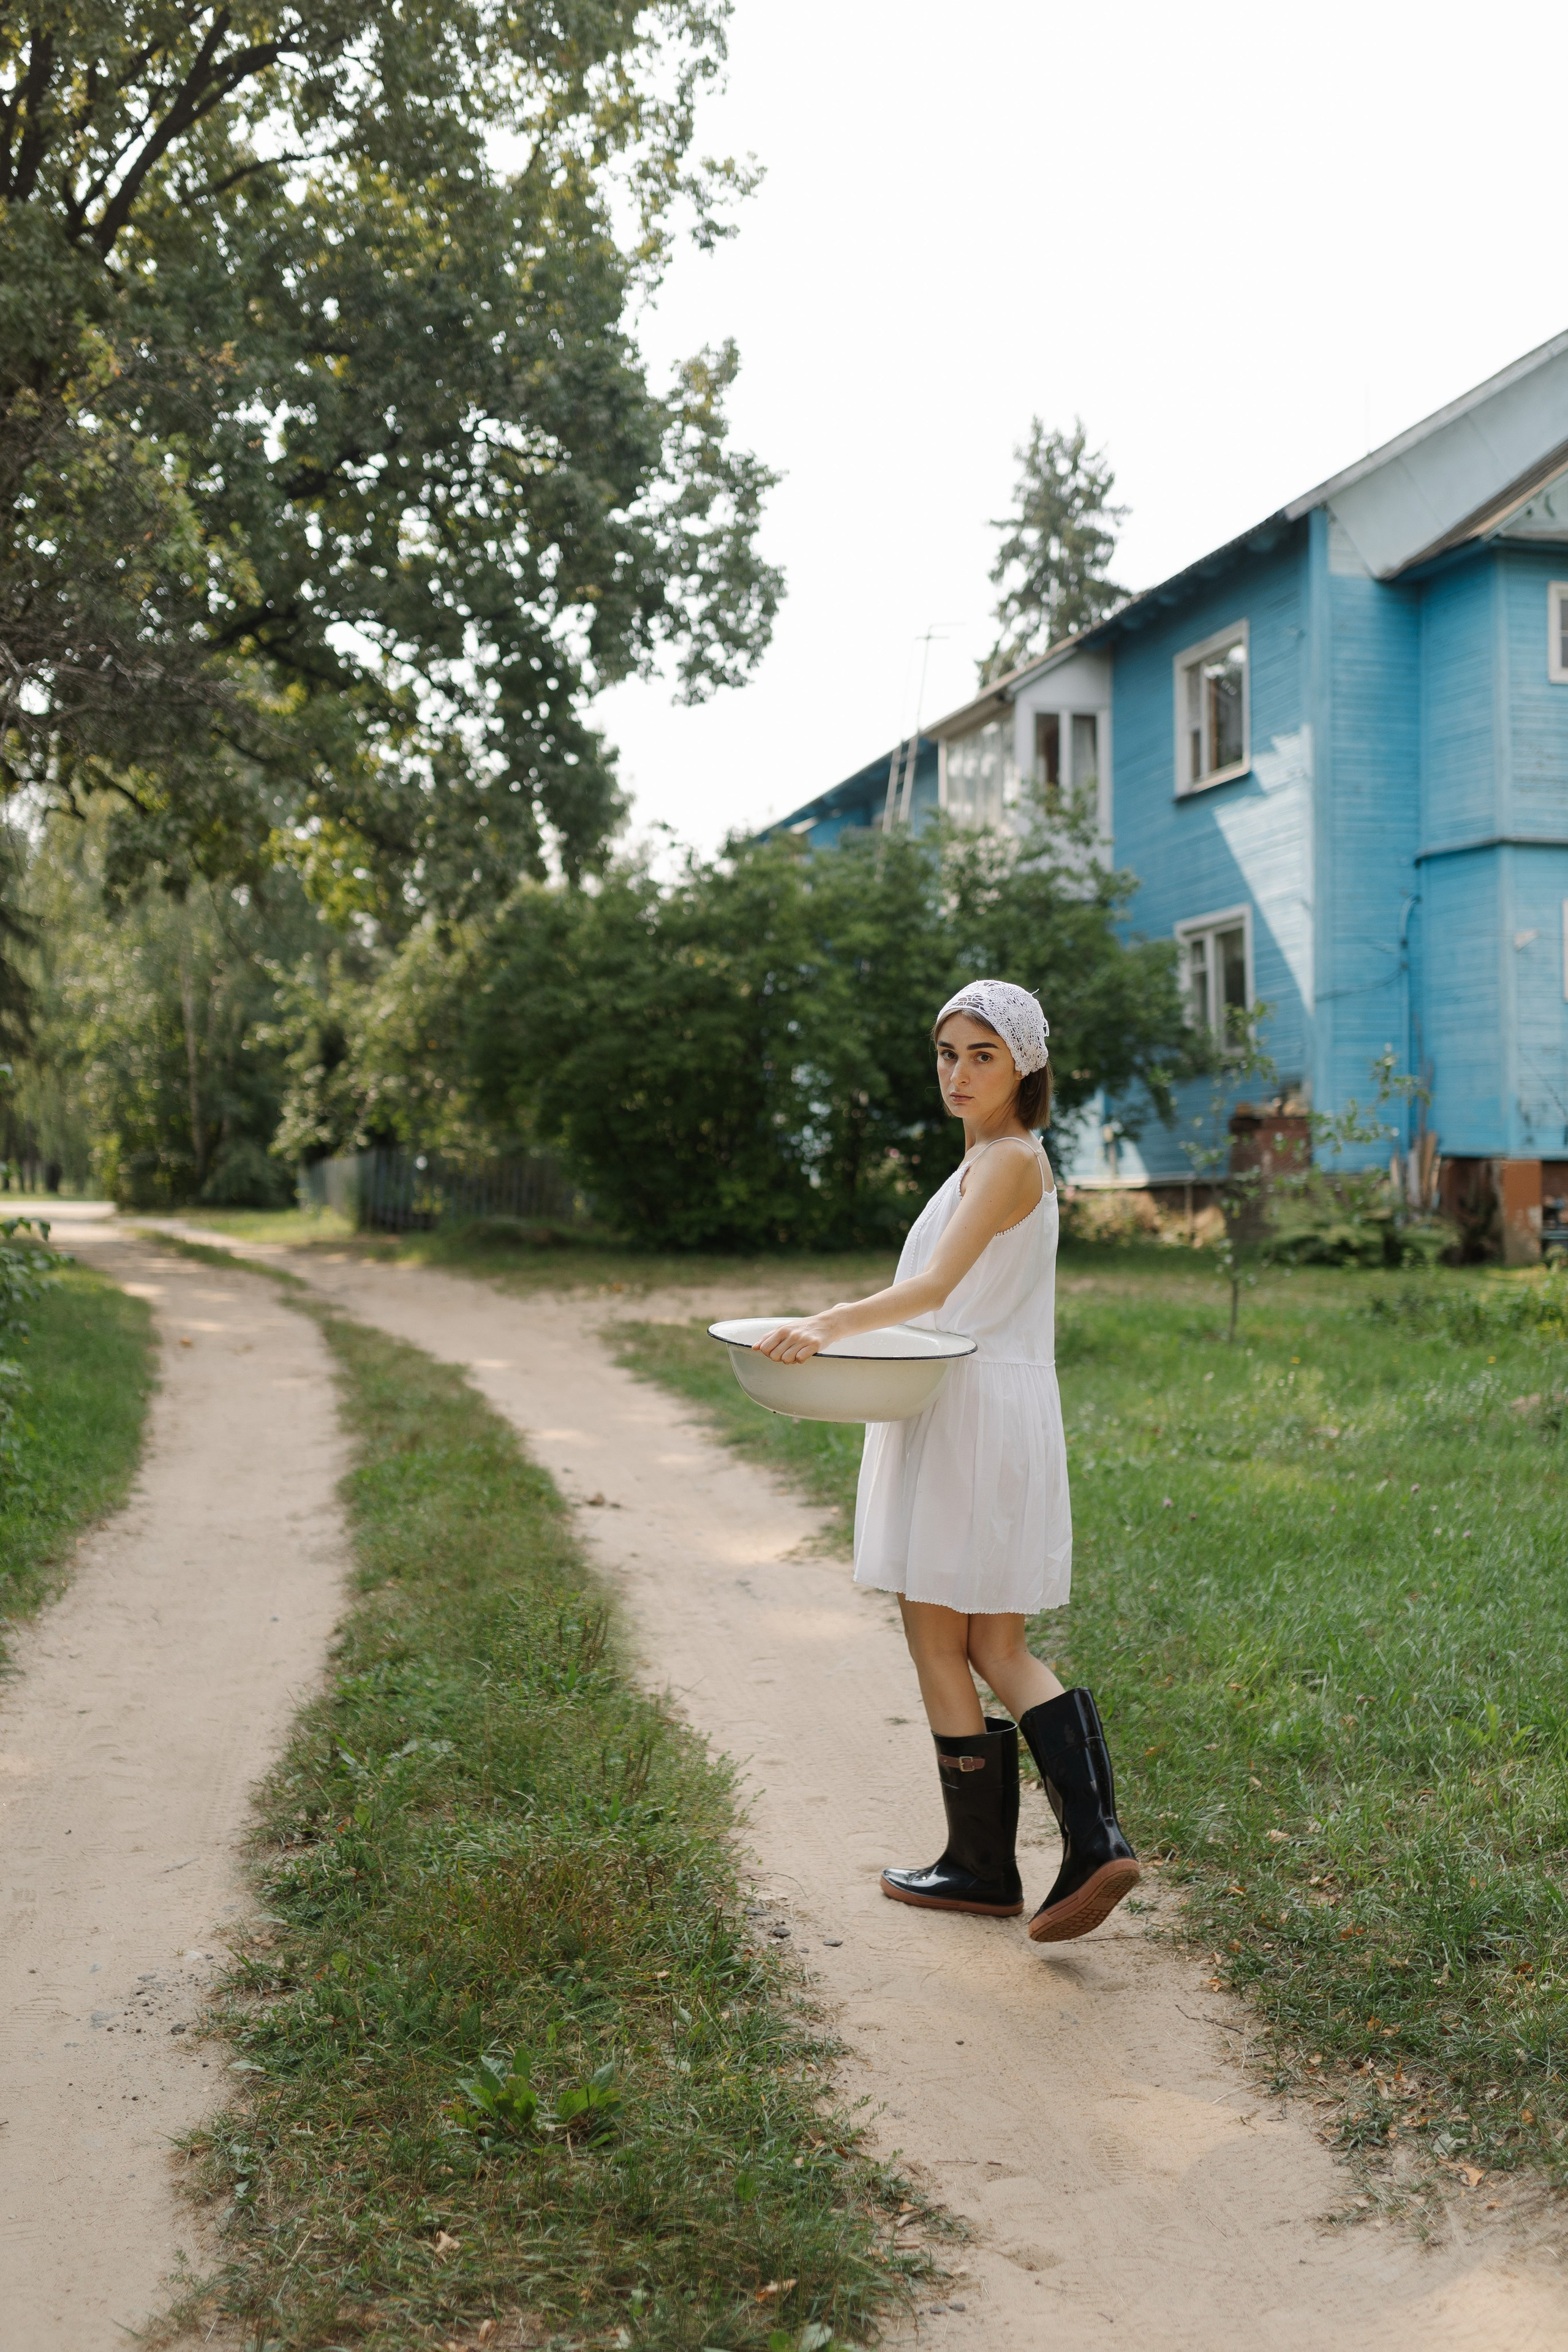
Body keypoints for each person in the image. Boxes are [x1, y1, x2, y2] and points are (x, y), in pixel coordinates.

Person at [753, 979, 1137, 1942]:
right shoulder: (988, 1164)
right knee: (992, 1644)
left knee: (945, 1640)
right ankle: (1078, 1846)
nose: (958, 1074)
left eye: (983, 1056)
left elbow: (932, 1287)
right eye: (947, 1054)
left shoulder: (1008, 1162)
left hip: (967, 1409)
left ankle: (995, 1864)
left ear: (1026, 1067)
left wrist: (827, 1325)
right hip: (976, 1405)